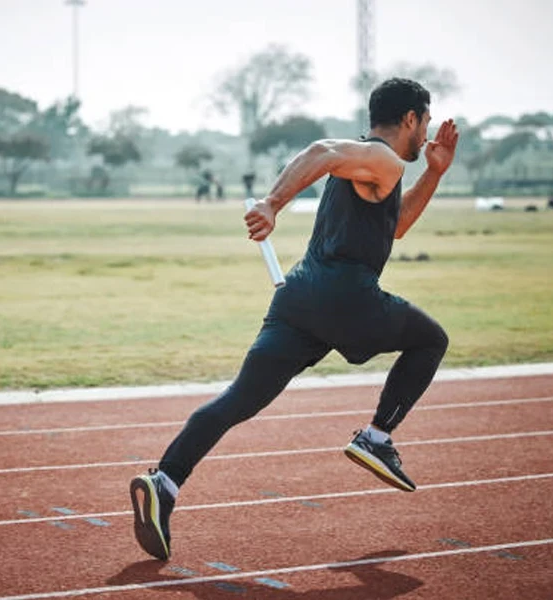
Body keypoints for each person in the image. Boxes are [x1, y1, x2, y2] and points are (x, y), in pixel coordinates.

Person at [130, 78, 459, 561]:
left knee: (238, 400)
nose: (427, 132)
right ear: (410, 118)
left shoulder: (375, 169)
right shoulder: (382, 158)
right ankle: (377, 438)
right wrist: (272, 204)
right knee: (431, 340)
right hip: (346, 296)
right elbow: (321, 148)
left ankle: (165, 482)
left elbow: (398, 228)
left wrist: (434, 173)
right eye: (426, 122)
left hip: (298, 297)